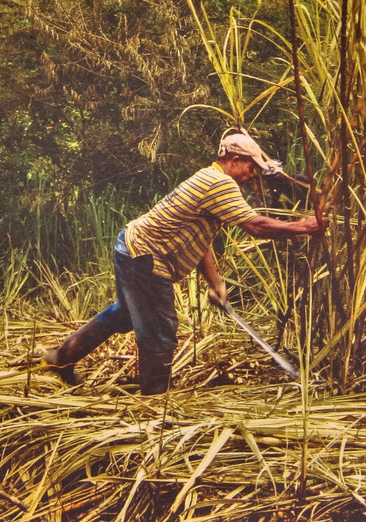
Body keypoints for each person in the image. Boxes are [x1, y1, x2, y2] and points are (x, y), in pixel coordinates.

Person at [40, 130, 325, 394]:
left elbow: (200, 241)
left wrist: (216, 284)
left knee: (124, 314)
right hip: (145, 256)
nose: (253, 176)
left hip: (130, 245)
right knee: (161, 334)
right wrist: (304, 227)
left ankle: (60, 358)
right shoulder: (220, 183)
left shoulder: (207, 178)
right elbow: (256, 226)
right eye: (252, 168)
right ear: (236, 160)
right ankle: (154, 401)